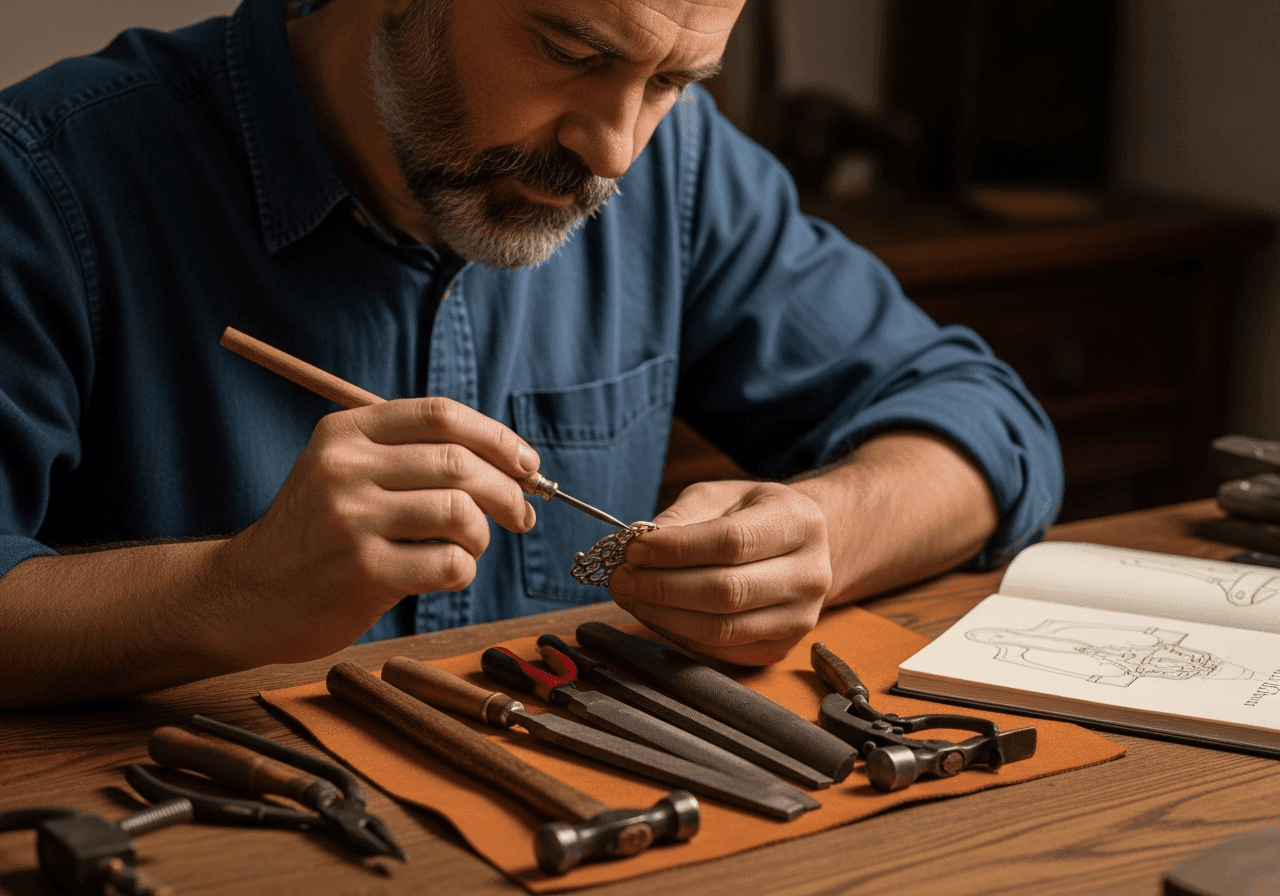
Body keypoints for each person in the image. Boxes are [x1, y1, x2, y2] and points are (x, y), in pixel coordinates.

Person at [0, 0, 1062, 708]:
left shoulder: (675, 173)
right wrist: (226, 592)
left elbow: (986, 423)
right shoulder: (47, 184)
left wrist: (826, 530)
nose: (613, 147)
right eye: (572, 53)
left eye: (671, 82)